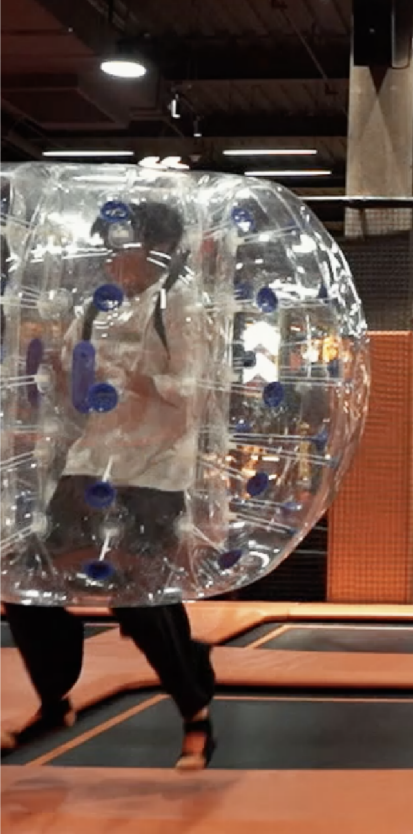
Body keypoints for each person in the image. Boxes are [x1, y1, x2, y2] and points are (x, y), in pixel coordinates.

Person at [1, 200, 217, 771]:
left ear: (154, 249)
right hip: (89, 463)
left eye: (120, 247)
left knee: (141, 600)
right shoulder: (94, 311)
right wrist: (60, 372)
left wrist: (138, 379)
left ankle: (196, 711)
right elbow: (78, 397)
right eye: (107, 247)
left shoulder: (182, 306)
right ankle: (55, 699)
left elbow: (195, 393)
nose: (111, 260)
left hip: (155, 469)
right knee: (27, 583)